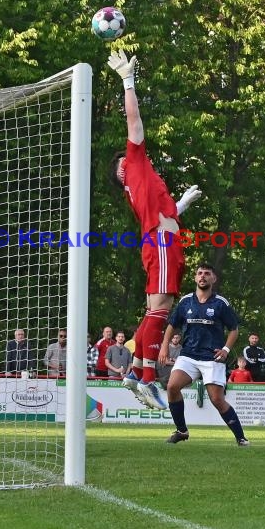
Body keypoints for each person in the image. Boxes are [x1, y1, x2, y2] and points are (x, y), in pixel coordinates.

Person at [108, 49, 202, 409]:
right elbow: (134, 122)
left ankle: (134, 371)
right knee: (160, 312)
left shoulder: (141, 183)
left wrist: (183, 205)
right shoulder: (132, 164)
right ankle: (147, 378)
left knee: (154, 312)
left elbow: (163, 214)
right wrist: (128, 81)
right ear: (121, 169)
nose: (131, 152)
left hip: (162, 240)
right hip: (162, 244)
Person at [159, 263, 250, 446]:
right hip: (188, 355)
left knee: (217, 399)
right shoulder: (186, 301)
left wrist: (225, 350)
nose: (202, 276)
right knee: (172, 387)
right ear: (195, 278)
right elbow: (171, 325)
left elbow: (234, 329)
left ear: (213, 279)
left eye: (207, 273)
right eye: (199, 273)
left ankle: (241, 438)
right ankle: (182, 431)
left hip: (212, 357)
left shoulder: (220, 303)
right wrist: (164, 347)